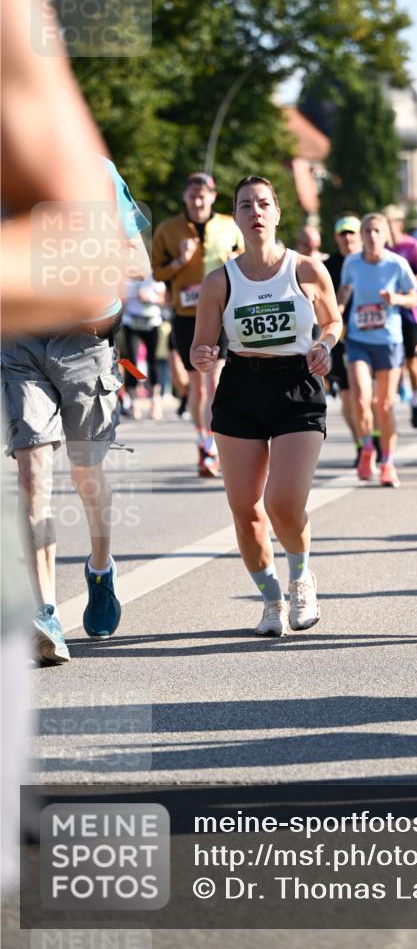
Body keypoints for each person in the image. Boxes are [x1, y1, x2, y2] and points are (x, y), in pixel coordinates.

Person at [2, 156, 150, 666]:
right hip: (20, 343)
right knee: (32, 474)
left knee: (87, 471)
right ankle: (45, 611)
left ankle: (101, 569)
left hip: (85, 343)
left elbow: (139, 259)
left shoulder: (94, 170)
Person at [190, 176, 342, 636]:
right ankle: (272, 598)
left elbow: (333, 320)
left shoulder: (308, 270)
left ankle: (301, 578)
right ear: (235, 217)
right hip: (240, 388)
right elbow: (201, 348)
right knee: (245, 508)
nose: (254, 212)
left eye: (263, 204)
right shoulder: (219, 281)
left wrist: (326, 344)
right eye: (244, 205)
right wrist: (201, 357)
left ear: (277, 213)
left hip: (297, 385)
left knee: (283, 501)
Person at [152, 172, 244, 477]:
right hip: (186, 315)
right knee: (197, 387)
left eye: (204, 194)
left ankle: (214, 446)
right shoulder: (168, 229)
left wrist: (236, 257)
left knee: (214, 382)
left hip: (223, 312)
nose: (198, 200)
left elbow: (248, 260)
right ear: (185, 197)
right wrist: (179, 262)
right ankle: (203, 443)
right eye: (193, 195)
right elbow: (156, 273)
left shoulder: (230, 226)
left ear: (214, 196)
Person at [337, 213, 417, 488]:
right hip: (359, 339)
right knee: (360, 400)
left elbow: (414, 297)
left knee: (383, 406)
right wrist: (335, 315)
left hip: (389, 340)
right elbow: (344, 292)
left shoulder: (397, 264)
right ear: (361, 236)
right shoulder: (352, 262)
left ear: (385, 235)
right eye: (367, 231)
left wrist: (395, 298)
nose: (371, 236)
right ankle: (367, 448)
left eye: (376, 231)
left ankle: (387, 462)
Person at [384, 204, 417, 428]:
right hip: (387, 314)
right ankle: (390, 402)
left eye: (390, 223)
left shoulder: (412, 247)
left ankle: (415, 400)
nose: (387, 228)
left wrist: (405, 281)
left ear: (398, 224)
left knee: (412, 361)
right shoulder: (380, 249)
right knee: (393, 361)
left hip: (411, 313)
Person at [324, 215, 363, 455]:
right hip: (339, 336)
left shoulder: (370, 261)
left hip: (371, 336)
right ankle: (361, 443)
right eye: (343, 233)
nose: (348, 238)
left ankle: (374, 436)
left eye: (352, 233)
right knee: (348, 397)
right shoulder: (328, 266)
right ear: (337, 237)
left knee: (368, 397)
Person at [121, 273, 166, 419]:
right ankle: (134, 402)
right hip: (131, 322)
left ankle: (155, 402)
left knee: (152, 361)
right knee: (130, 362)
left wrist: (149, 297)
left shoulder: (155, 277)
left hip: (152, 323)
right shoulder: (125, 278)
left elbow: (165, 299)